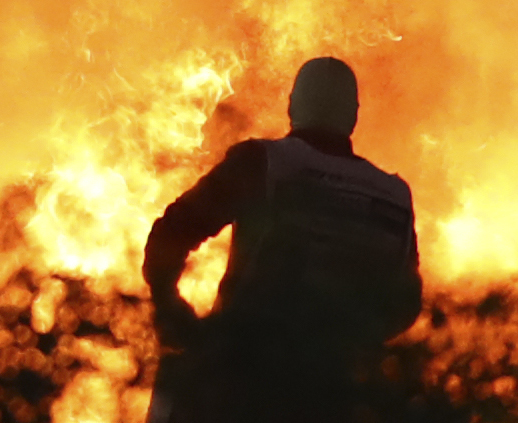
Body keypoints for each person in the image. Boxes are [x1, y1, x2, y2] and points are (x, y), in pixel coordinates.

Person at [142, 57, 421, 423]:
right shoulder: (394, 197)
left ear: (292, 105)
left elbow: (171, 234)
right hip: (339, 394)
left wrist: (171, 308)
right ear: (353, 115)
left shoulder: (264, 164)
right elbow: (406, 302)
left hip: (242, 380)